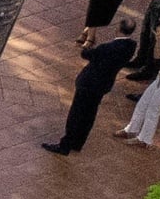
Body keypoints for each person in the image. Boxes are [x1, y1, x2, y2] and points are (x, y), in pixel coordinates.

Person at [49, 18, 140, 154]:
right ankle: (78, 142)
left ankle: (65, 145)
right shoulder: (131, 46)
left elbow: (86, 54)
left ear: (118, 29)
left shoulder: (106, 48)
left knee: (76, 114)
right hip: (103, 84)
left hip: (89, 83)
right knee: (89, 114)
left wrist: (88, 46)